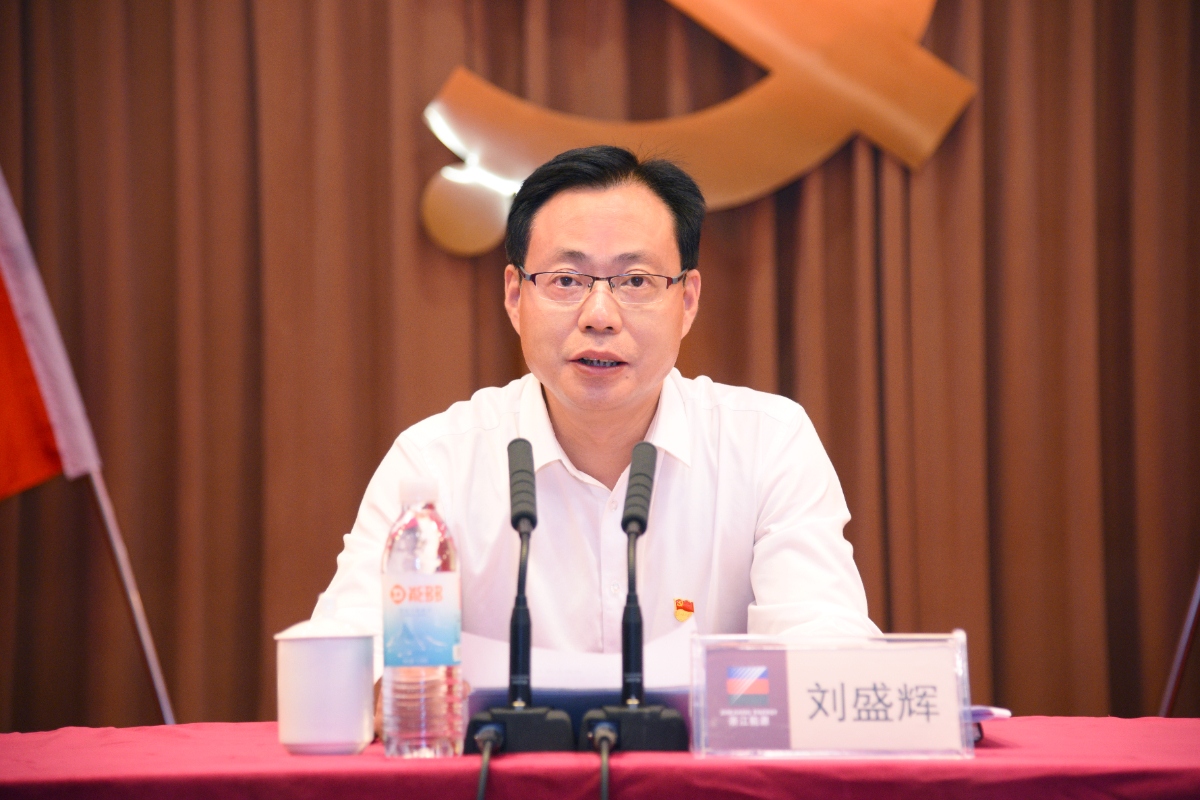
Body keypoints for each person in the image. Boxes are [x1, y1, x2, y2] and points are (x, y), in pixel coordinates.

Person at [315, 145, 880, 689]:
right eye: (566, 280)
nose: (600, 316)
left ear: (687, 300)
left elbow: (828, 653)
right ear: (514, 296)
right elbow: (347, 661)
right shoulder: (434, 465)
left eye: (636, 282)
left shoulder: (767, 445)